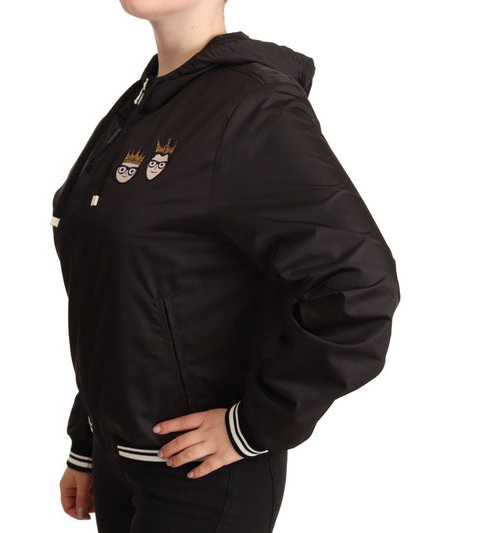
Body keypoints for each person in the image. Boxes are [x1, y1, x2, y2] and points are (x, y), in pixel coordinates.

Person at [50, 0, 401, 531]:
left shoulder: (252, 104)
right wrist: (88, 438)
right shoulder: (140, 105)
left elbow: (357, 282)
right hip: (118, 461)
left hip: (202, 476)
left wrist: (255, 425)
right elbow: (119, 293)